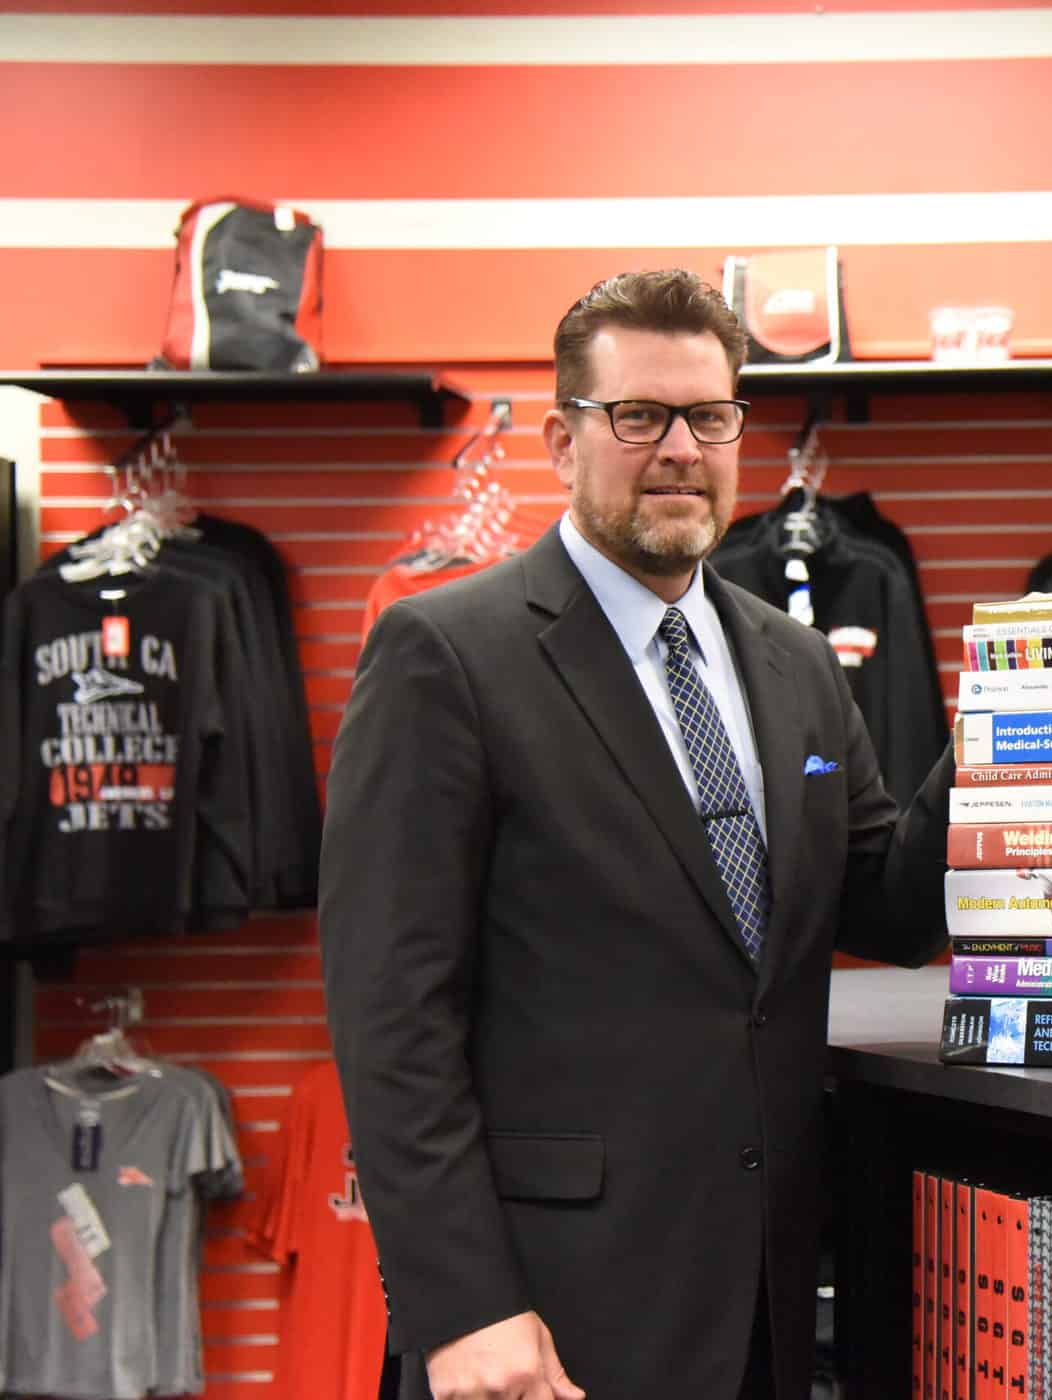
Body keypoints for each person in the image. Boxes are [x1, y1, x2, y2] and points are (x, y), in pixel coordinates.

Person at [319, 268, 953, 1400]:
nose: (678, 450)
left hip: (762, 1292)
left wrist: (1014, 725)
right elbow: (390, 1015)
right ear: (562, 443)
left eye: (708, 418)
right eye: (639, 416)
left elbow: (890, 907)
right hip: (547, 1308)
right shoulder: (445, 653)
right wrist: (461, 1306)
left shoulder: (798, 663)